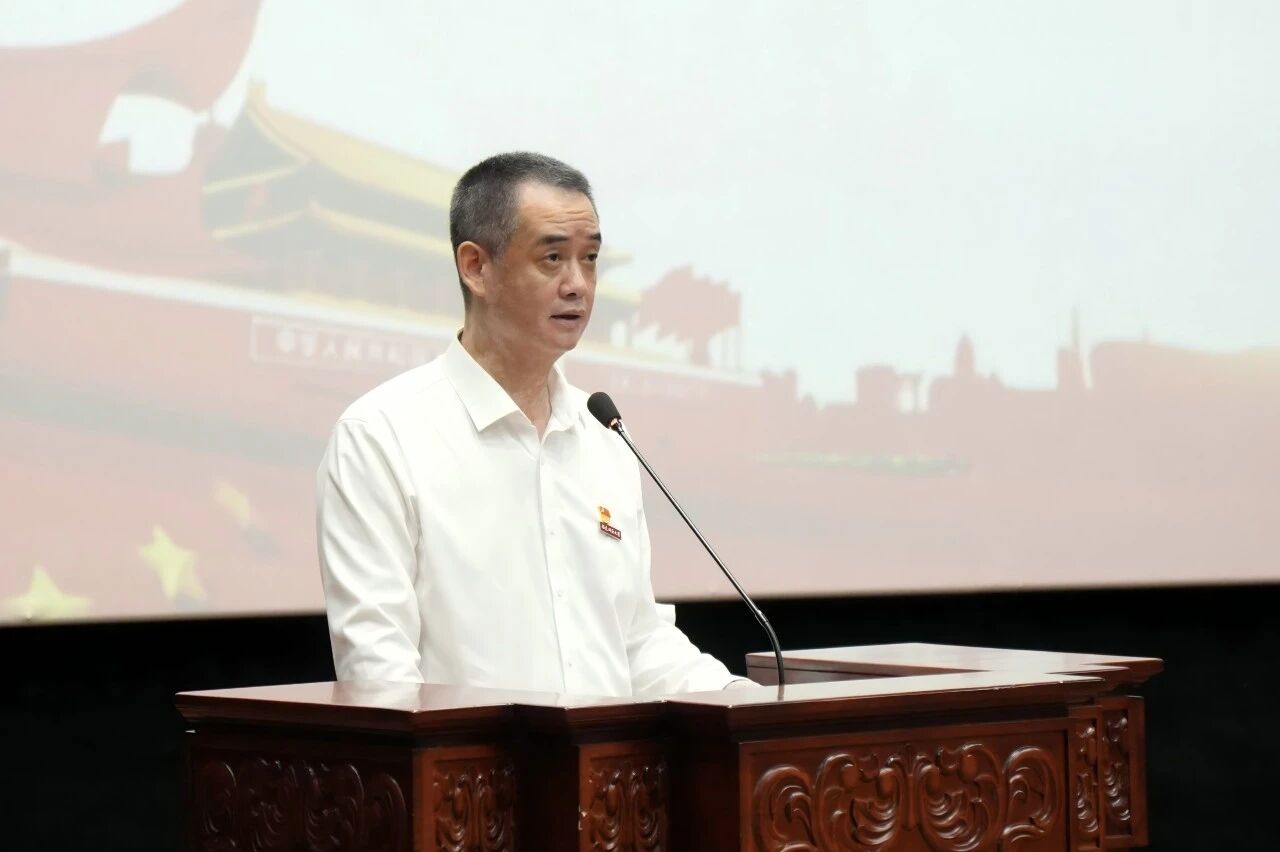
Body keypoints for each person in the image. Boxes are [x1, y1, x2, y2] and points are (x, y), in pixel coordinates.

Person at [316, 152, 749, 697]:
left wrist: (742, 702)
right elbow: (378, 669)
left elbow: (636, 642)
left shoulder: (604, 433)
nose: (579, 285)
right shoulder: (381, 435)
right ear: (476, 267)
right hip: (467, 755)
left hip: (608, 754)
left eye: (590, 259)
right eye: (552, 258)